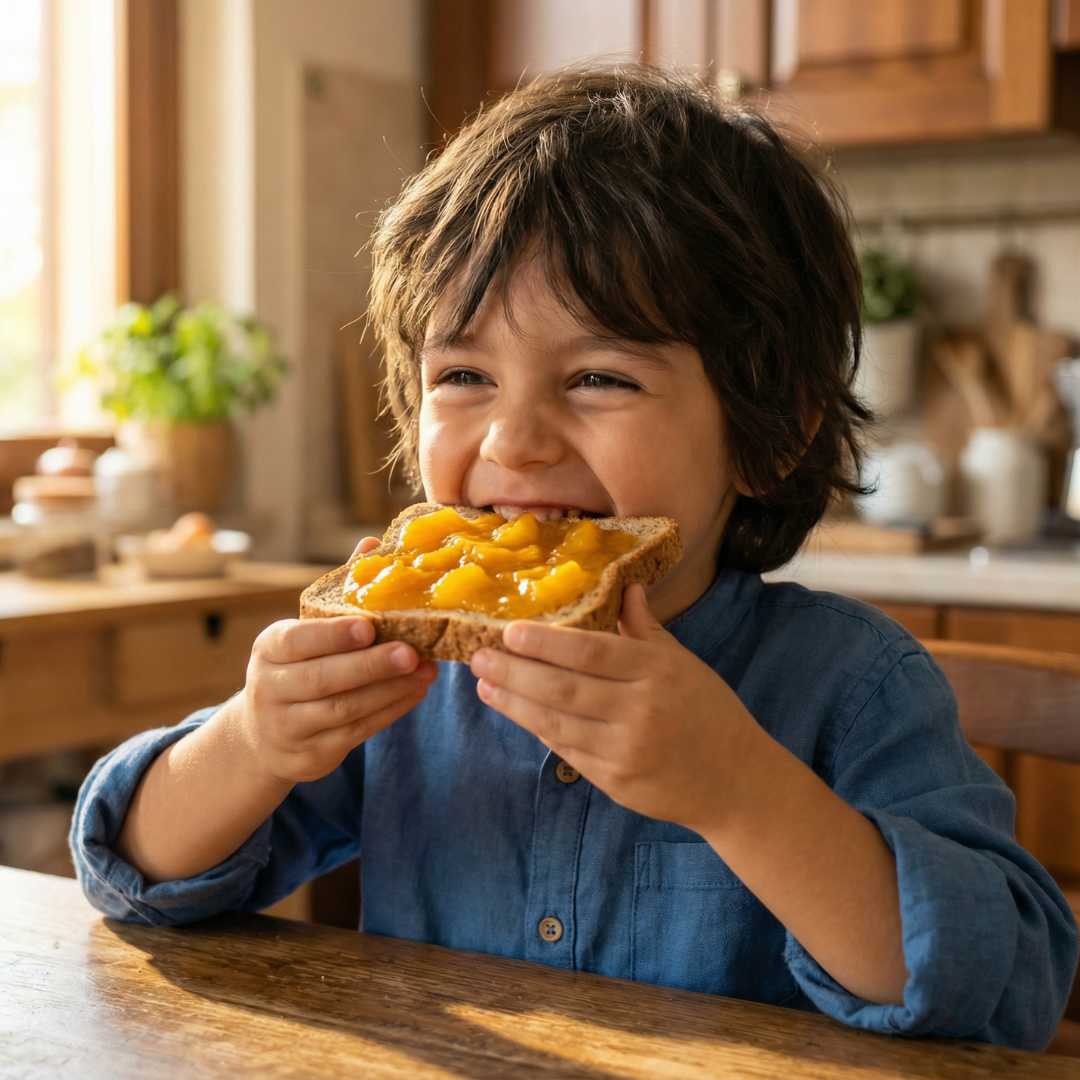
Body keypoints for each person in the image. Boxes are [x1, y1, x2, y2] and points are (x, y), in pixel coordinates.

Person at [70, 64, 1077, 1050]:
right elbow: (131, 870)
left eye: (599, 377)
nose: (514, 442)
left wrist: (736, 789)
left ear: (770, 433)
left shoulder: (853, 687)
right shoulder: (405, 680)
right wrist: (254, 743)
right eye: (464, 374)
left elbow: (1005, 987)